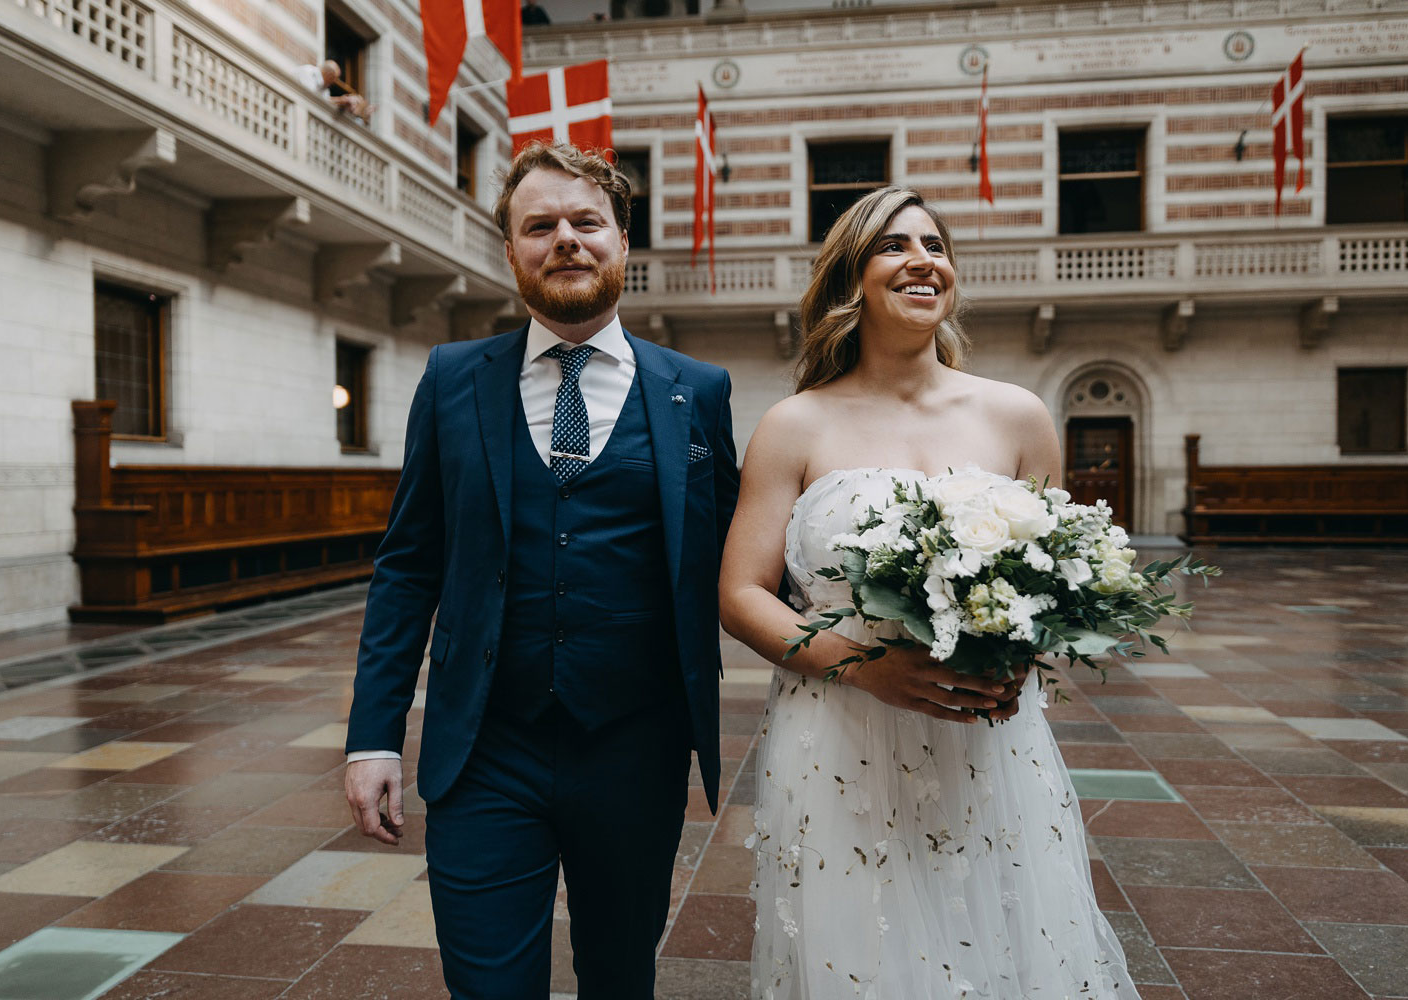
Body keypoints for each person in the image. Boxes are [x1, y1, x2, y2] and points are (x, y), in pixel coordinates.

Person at [719, 187, 1140, 999]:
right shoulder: (793, 425)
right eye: (893, 245)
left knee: (1002, 943)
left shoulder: (1017, 416)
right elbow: (741, 593)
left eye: (936, 245)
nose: (923, 260)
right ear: (852, 280)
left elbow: (1061, 575)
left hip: (981, 733)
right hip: (840, 727)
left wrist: (1019, 643)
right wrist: (859, 664)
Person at [344, 141, 738, 998]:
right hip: (485, 745)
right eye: (540, 226)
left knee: (619, 976)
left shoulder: (697, 391)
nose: (565, 238)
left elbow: (744, 561)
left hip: (636, 745)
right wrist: (374, 735)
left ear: (622, 242)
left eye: (585, 221)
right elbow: (409, 567)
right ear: (513, 250)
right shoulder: (453, 378)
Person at [296, 59, 371, 121]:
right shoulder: (308, 72)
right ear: (329, 75)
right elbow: (311, 98)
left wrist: (343, 101)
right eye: (334, 79)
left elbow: (326, 101)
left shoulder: (325, 90)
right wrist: (341, 100)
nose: (333, 83)